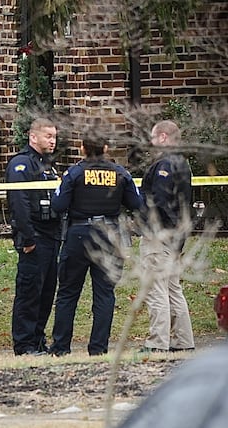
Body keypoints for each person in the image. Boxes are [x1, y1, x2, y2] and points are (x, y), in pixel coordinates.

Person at [48, 135, 142, 356]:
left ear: (82, 148)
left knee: (68, 292)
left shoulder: (74, 173)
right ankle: (98, 348)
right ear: (106, 148)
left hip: (79, 234)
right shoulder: (121, 174)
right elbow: (137, 203)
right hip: (110, 235)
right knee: (104, 293)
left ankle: (61, 347)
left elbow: (58, 204)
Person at [5, 118, 61, 356]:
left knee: (46, 292)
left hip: (51, 236)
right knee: (29, 292)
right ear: (33, 137)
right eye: (48, 136)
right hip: (34, 237)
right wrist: (27, 238)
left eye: (54, 137)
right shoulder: (21, 165)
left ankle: (38, 340)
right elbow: (19, 203)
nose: (52, 140)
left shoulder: (48, 167)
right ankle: (25, 344)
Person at [139, 120, 195, 352]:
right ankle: (183, 341)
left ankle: (157, 343)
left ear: (163, 137)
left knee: (156, 290)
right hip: (176, 238)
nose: (151, 143)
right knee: (173, 289)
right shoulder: (183, 164)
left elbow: (159, 202)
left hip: (159, 237)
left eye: (153, 138)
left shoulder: (164, 165)